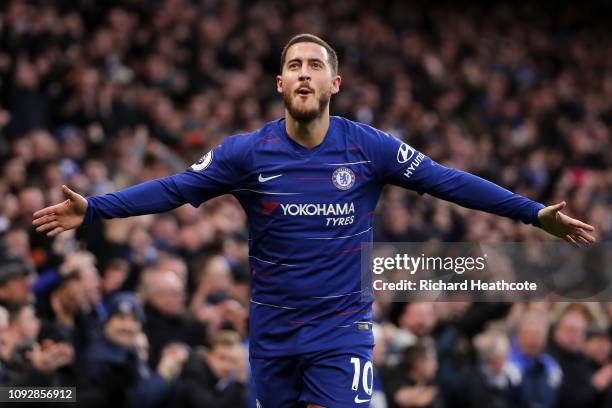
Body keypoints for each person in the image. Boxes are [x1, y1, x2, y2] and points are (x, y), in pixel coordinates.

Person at [32, 33, 596, 407]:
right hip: (272, 333)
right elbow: (175, 188)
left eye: (315, 66)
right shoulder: (246, 153)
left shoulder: (368, 147)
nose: (304, 74)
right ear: (280, 84)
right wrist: (96, 208)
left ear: (334, 84)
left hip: (341, 329)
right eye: (294, 66)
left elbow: (447, 180)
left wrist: (531, 214)